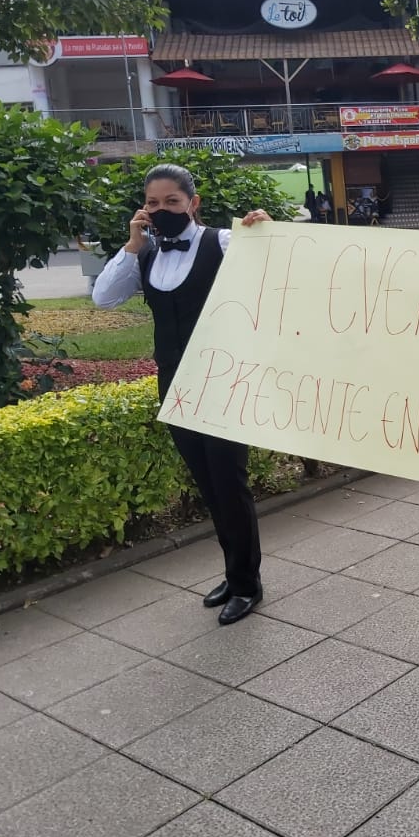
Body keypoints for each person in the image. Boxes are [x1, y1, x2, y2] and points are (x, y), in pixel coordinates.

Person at [92, 163, 271, 625]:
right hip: (175, 383)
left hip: (222, 380)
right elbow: (103, 298)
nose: (162, 210)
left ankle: (247, 584)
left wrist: (268, 235)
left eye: (171, 201)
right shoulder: (146, 254)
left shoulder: (222, 242)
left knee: (229, 484)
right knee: (208, 485)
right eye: (152, 203)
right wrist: (133, 244)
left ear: (193, 203)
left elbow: (276, 271)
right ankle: (233, 574)